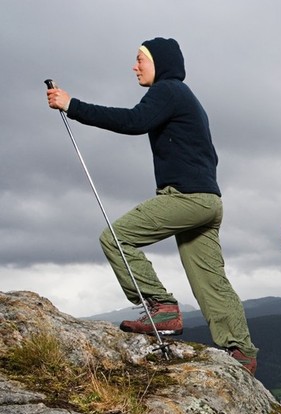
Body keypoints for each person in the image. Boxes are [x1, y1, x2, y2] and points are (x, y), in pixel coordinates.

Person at [46, 38, 258, 374]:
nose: (135, 66)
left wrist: (73, 105)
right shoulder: (185, 97)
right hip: (207, 200)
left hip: (186, 198)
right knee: (210, 279)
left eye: (140, 59)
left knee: (115, 237)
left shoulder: (168, 90)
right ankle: (242, 354)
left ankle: (162, 307)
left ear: (159, 63)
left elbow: (134, 121)